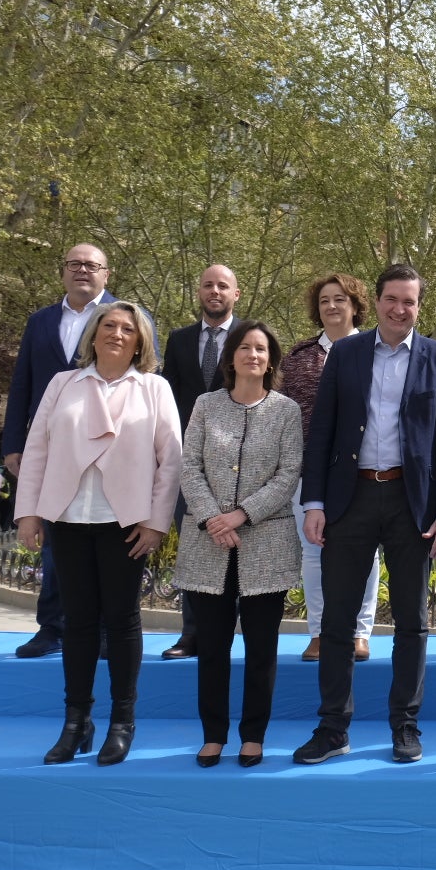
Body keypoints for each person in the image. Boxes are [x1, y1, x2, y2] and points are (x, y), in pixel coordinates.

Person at [291, 264, 436, 767]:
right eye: (391, 299)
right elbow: (321, 431)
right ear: (378, 300)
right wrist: (315, 503)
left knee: (412, 621)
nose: (399, 309)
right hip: (351, 500)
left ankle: (405, 725)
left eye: (408, 301)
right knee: (337, 621)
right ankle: (332, 729)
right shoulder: (346, 353)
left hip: (414, 506)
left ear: (418, 305)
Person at [13, 301, 182, 766]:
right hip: (67, 517)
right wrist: (28, 513)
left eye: (128, 329)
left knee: (122, 621)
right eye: (109, 325)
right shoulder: (63, 384)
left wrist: (156, 522)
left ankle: (122, 722)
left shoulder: (154, 388)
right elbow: (38, 448)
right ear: (94, 333)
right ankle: (76, 721)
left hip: (125, 523)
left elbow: (172, 460)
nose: (117, 333)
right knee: (78, 622)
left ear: (140, 341)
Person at [1, 244, 145, 658]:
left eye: (92, 265)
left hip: (111, 451)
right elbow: (21, 383)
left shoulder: (129, 317)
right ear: (63, 272)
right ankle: (51, 627)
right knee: (54, 540)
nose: (83, 271)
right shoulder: (41, 321)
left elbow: (146, 376)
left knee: (108, 547)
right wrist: (14, 443)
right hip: (55, 447)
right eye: (75, 264)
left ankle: (102, 631)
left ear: (106, 273)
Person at [174, 321, 304, 768]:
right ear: (230, 358)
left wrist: (242, 513)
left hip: (265, 542)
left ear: (271, 361)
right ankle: (213, 734)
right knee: (211, 646)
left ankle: (253, 735)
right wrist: (213, 517)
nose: (253, 355)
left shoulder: (287, 411)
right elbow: (189, 466)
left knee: (261, 648)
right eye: (244, 348)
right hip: (207, 545)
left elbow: (289, 474)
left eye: (261, 349)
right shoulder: (206, 406)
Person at [277, 273, 378, 663]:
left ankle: (359, 633)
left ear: (355, 305)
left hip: (364, 469)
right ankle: (319, 633)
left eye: (340, 299)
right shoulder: (299, 357)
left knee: (364, 553)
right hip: (312, 470)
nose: (332, 306)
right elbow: (286, 414)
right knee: (314, 552)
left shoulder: (376, 349)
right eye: (324, 301)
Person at [157, 264, 241, 660]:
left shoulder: (248, 339)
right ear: (199, 291)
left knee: (239, 550)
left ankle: (234, 630)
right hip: (188, 463)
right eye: (208, 285)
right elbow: (165, 398)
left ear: (235, 294)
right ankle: (193, 634)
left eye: (222, 286)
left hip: (239, 464)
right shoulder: (178, 340)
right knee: (194, 548)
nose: (215, 291)